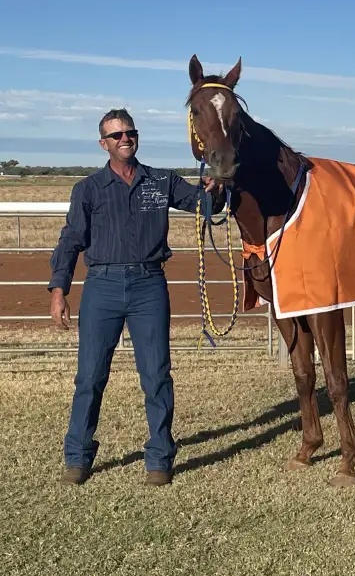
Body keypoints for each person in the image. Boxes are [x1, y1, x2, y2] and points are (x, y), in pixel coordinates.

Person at [48, 108, 225, 486]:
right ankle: (77, 458)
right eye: (116, 135)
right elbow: (71, 240)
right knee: (90, 376)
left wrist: (217, 190)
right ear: (103, 144)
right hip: (102, 286)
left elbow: (205, 206)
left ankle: (159, 458)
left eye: (130, 132)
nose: (124, 138)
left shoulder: (161, 181)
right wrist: (59, 288)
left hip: (149, 286)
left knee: (157, 375)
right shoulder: (88, 190)